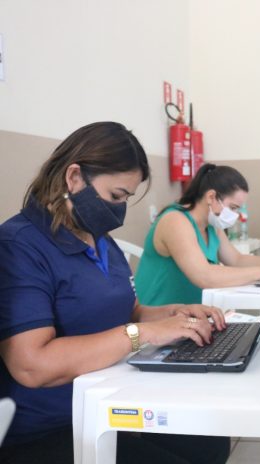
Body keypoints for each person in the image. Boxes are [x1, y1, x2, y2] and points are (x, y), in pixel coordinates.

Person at [0, 122, 231, 463]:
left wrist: (176, 315)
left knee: (209, 444)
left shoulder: (99, 239)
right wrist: (143, 333)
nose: (119, 209)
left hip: (110, 398)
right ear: (74, 177)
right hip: (49, 427)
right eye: (116, 196)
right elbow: (32, 365)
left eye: (125, 198)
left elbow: (130, 311)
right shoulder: (19, 245)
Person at [135, 163, 260, 306]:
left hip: (194, 313)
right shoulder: (175, 221)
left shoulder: (212, 224)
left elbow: (236, 260)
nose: (235, 215)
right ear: (211, 197)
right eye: (233, 207)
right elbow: (205, 276)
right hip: (161, 317)